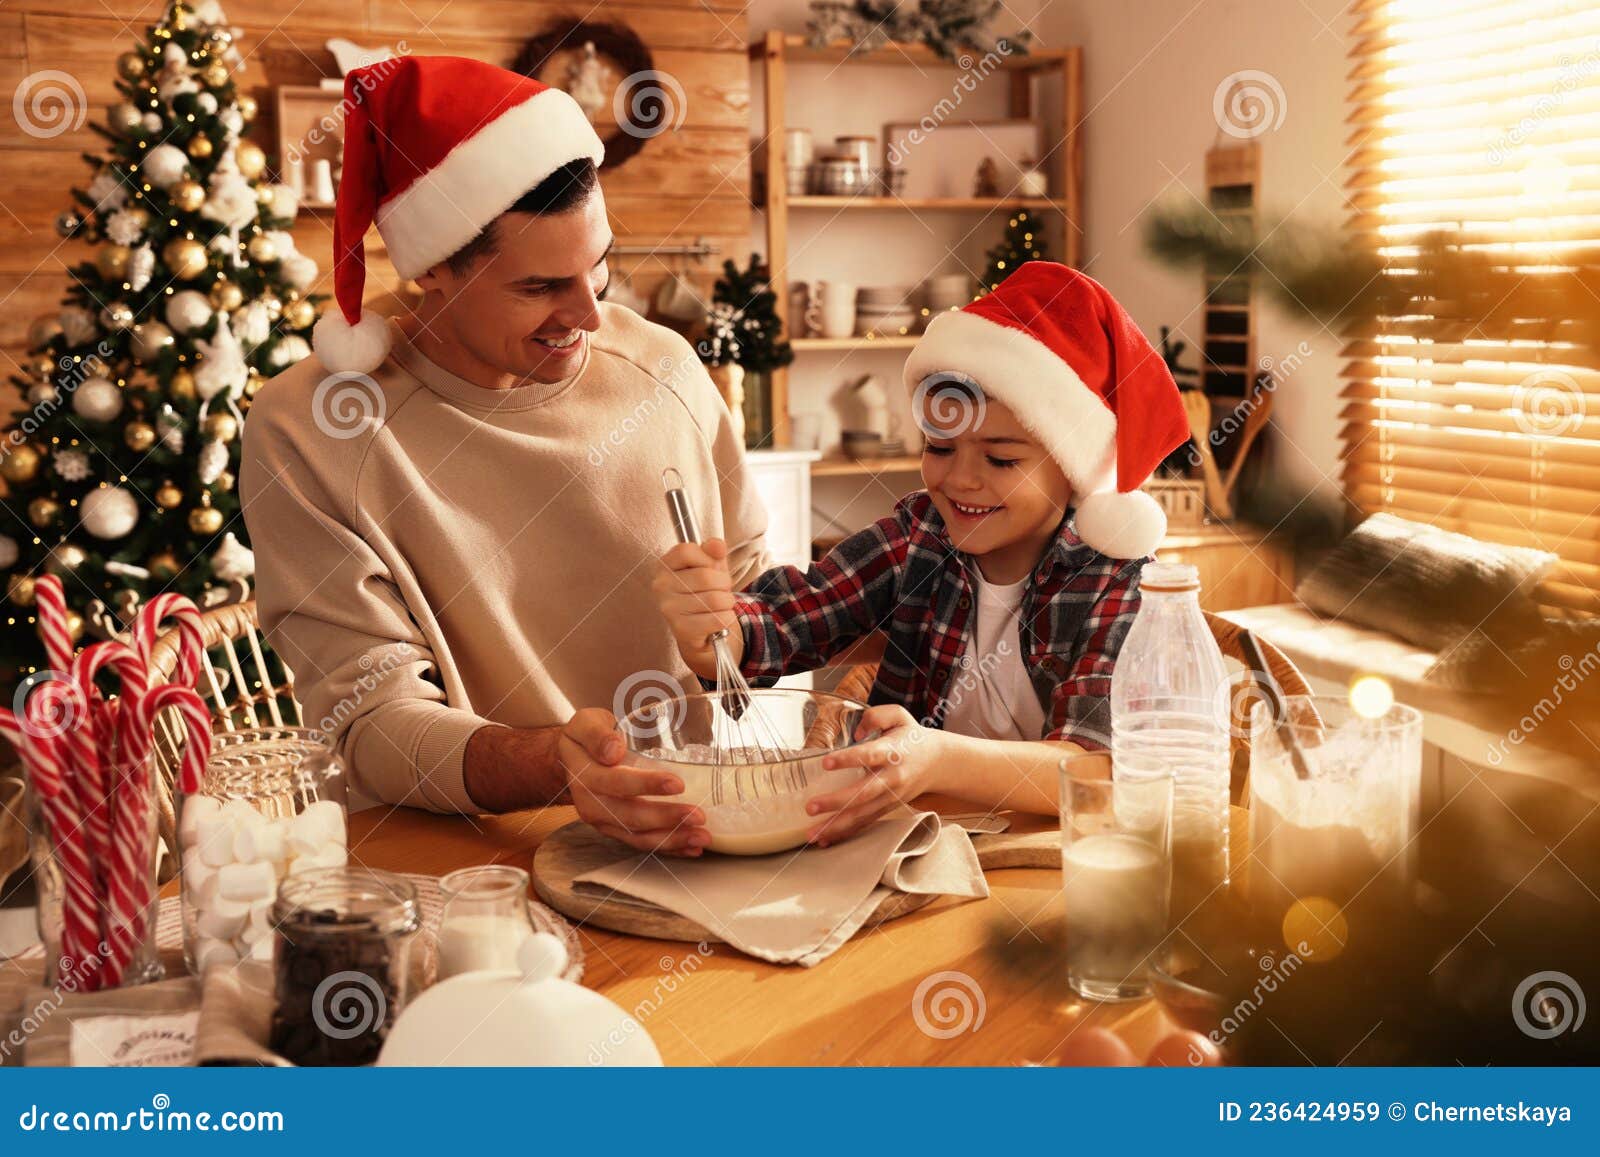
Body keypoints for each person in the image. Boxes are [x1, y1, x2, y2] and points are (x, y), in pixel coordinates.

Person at [242, 56, 768, 853]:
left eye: (600, 267)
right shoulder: (310, 429)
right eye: (541, 287)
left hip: (698, 844)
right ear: (432, 272)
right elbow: (370, 722)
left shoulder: (664, 369)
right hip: (465, 864)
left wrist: (746, 635)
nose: (591, 316)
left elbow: (768, 611)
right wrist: (554, 765)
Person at [653, 263, 1189, 845]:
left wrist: (934, 759)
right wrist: (716, 630)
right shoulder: (921, 538)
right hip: (920, 845)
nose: (960, 480)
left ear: (1074, 467)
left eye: (1001, 460)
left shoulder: (1116, 581)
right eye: (940, 446)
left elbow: (1097, 770)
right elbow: (789, 621)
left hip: (1058, 868)